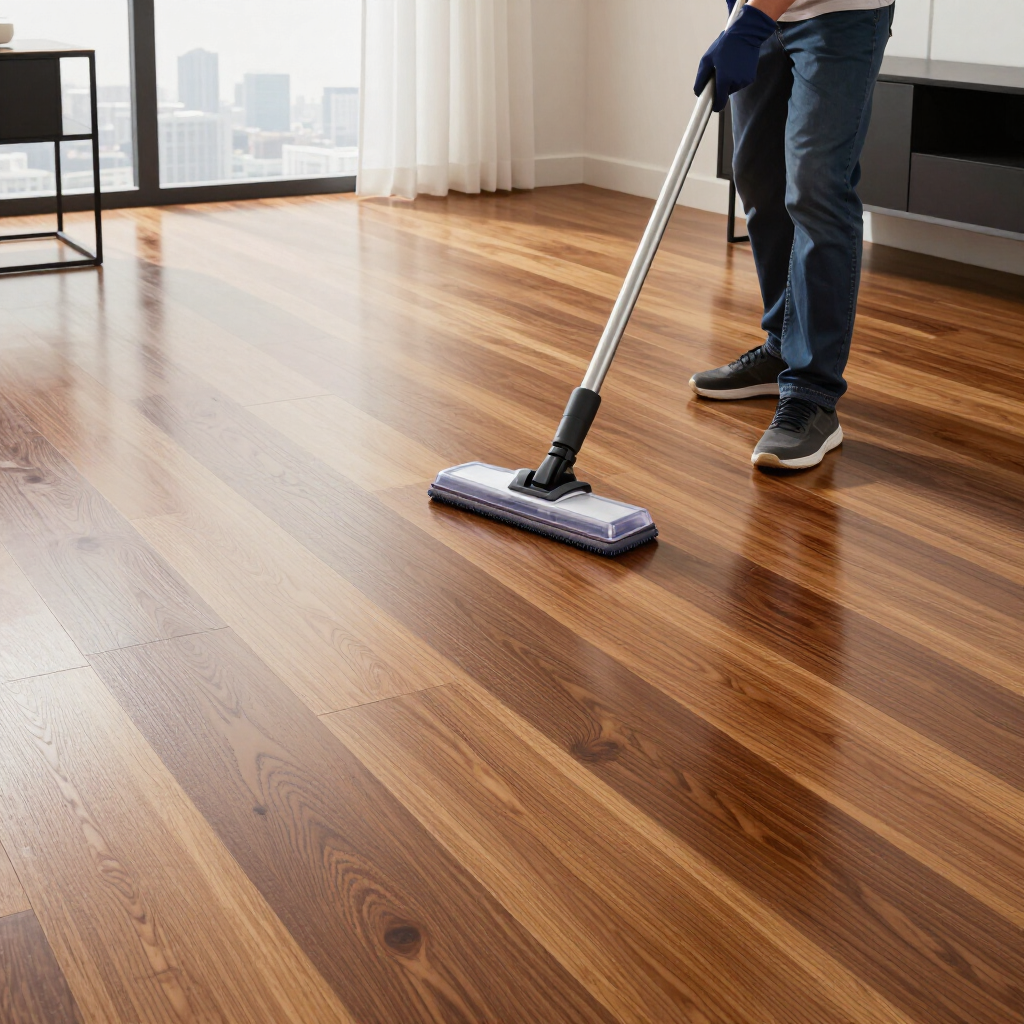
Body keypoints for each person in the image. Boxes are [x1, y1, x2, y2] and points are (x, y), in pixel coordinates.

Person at [688, 0, 894, 469]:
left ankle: (812, 392)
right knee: (759, 178)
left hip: (840, 15)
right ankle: (783, 347)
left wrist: (753, 20)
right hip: (762, 16)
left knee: (817, 188)